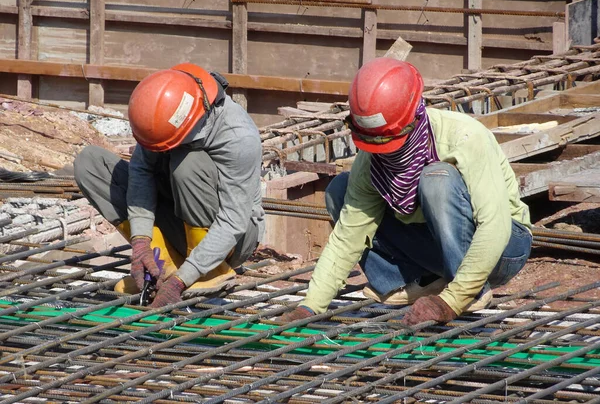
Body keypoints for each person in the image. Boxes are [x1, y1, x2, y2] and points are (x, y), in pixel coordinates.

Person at [278, 58, 532, 326]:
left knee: (436, 178)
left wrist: (452, 301)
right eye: (373, 142)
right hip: (438, 248)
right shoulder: (371, 160)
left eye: (387, 142)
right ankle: (420, 281)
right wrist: (310, 306)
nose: (382, 151)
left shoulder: (464, 137)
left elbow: (494, 227)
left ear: (413, 119)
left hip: (504, 249)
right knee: (340, 189)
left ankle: (469, 291)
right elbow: (348, 236)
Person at [74, 63, 264, 308]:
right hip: (177, 218)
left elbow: (233, 219)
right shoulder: (164, 113)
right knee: (90, 162)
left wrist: (182, 280)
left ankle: (208, 271)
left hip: (233, 238)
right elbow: (141, 172)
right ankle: (161, 266)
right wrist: (142, 242)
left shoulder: (239, 138)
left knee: (187, 163)